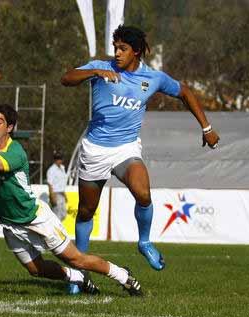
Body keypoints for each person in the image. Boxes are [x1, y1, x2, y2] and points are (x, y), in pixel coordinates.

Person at [61, 25, 220, 293]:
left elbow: (185, 92)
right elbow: (66, 78)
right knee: (87, 210)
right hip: (95, 149)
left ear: (135, 51)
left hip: (126, 148)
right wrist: (94, 72)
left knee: (143, 193)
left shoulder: (153, 78)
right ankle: (78, 273)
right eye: (115, 48)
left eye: (122, 49)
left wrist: (206, 127)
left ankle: (144, 242)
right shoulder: (101, 67)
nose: (117, 53)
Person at [0, 104, 142, 296]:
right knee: (36, 270)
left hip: (35, 218)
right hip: (9, 223)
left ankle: (124, 276)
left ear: (10, 128)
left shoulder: (15, 152)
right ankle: (78, 278)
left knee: (76, 259)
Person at [46, 150, 68, 221]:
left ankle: (56, 230)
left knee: (63, 215)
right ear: (54, 159)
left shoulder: (62, 168)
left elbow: (62, 182)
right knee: (56, 217)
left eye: (60, 158)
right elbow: (50, 184)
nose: (59, 160)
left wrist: (64, 194)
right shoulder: (51, 170)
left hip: (61, 194)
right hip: (55, 194)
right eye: (57, 158)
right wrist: (52, 197)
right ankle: (54, 231)